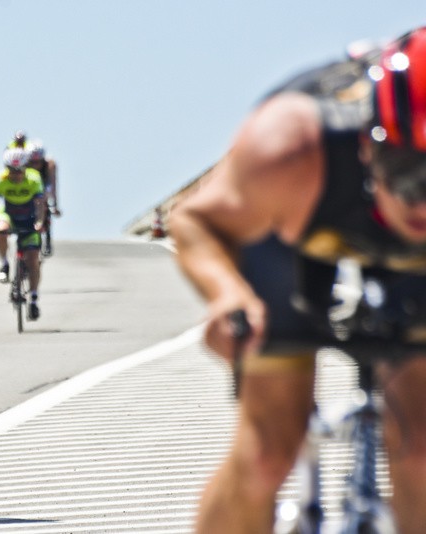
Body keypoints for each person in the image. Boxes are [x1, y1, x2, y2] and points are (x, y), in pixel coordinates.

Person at [170, 28, 426, 533]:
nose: (422, 205)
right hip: (291, 236)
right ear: (368, 146)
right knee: (266, 452)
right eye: (408, 175)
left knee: (420, 453)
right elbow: (197, 221)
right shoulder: (289, 145)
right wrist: (228, 296)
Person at [0, 147, 46, 320]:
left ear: (24, 168)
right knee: (1, 229)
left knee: (33, 259)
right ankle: (5, 263)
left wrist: (40, 222)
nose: (15, 175)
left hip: (29, 218)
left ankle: (34, 299)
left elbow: (41, 204)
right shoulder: (0, 179)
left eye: (18, 171)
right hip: (9, 215)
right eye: (11, 171)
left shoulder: (34, 179)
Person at [27, 140, 60, 255]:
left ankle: (48, 238)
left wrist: (55, 204)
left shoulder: (50, 164)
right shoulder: (25, 164)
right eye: (33, 162)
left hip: (44, 187)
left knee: (44, 198)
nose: (35, 165)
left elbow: (53, 184)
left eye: (38, 162)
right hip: (31, 188)